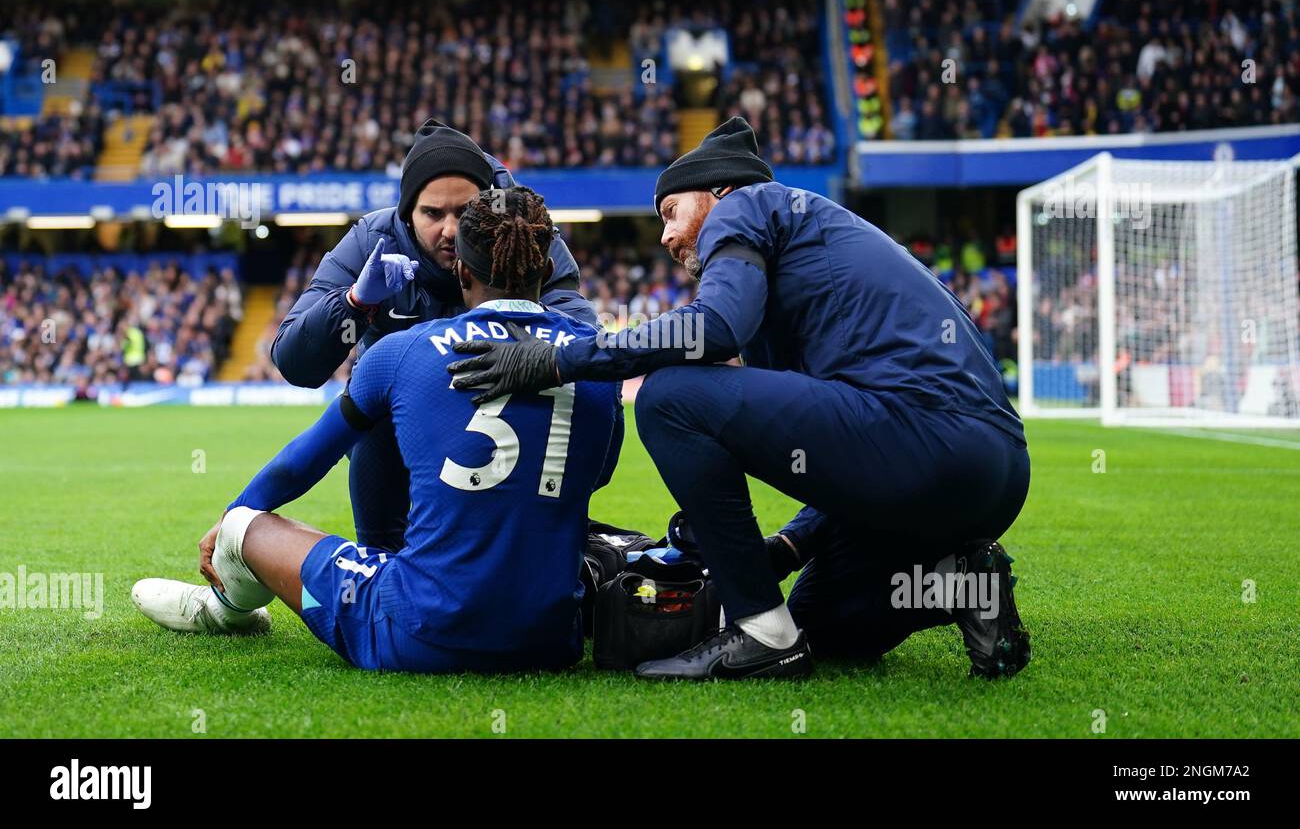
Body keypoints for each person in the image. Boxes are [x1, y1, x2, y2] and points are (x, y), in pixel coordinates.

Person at [446, 117, 1032, 681]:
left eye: (671, 212)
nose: (667, 236)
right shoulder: (809, 246)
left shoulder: (746, 205)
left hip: (928, 439)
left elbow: (714, 328)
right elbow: (851, 432)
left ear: (718, 191)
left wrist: (556, 359)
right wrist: (789, 544)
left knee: (670, 395)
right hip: (989, 470)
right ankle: (961, 582)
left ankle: (760, 632)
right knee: (823, 624)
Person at [131, 187, 620, 674]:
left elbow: (302, 461)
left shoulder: (402, 351)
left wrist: (231, 515)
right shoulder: (598, 359)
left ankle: (223, 609)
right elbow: (596, 473)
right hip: (552, 640)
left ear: (462, 271)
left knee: (244, 526)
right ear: (551, 269)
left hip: (419, 634)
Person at [271, 118, 617, 553]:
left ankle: (533, 545)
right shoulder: (372, 240)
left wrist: (532, 352)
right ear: (406, 214)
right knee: (374, 413)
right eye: (432, 214)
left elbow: (585, 341)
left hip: (505, 416)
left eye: (464, 212)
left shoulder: (523, 234)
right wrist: (356, 302)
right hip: (397, 430)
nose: (450, 230)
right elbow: (294, 362)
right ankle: (382, 555)